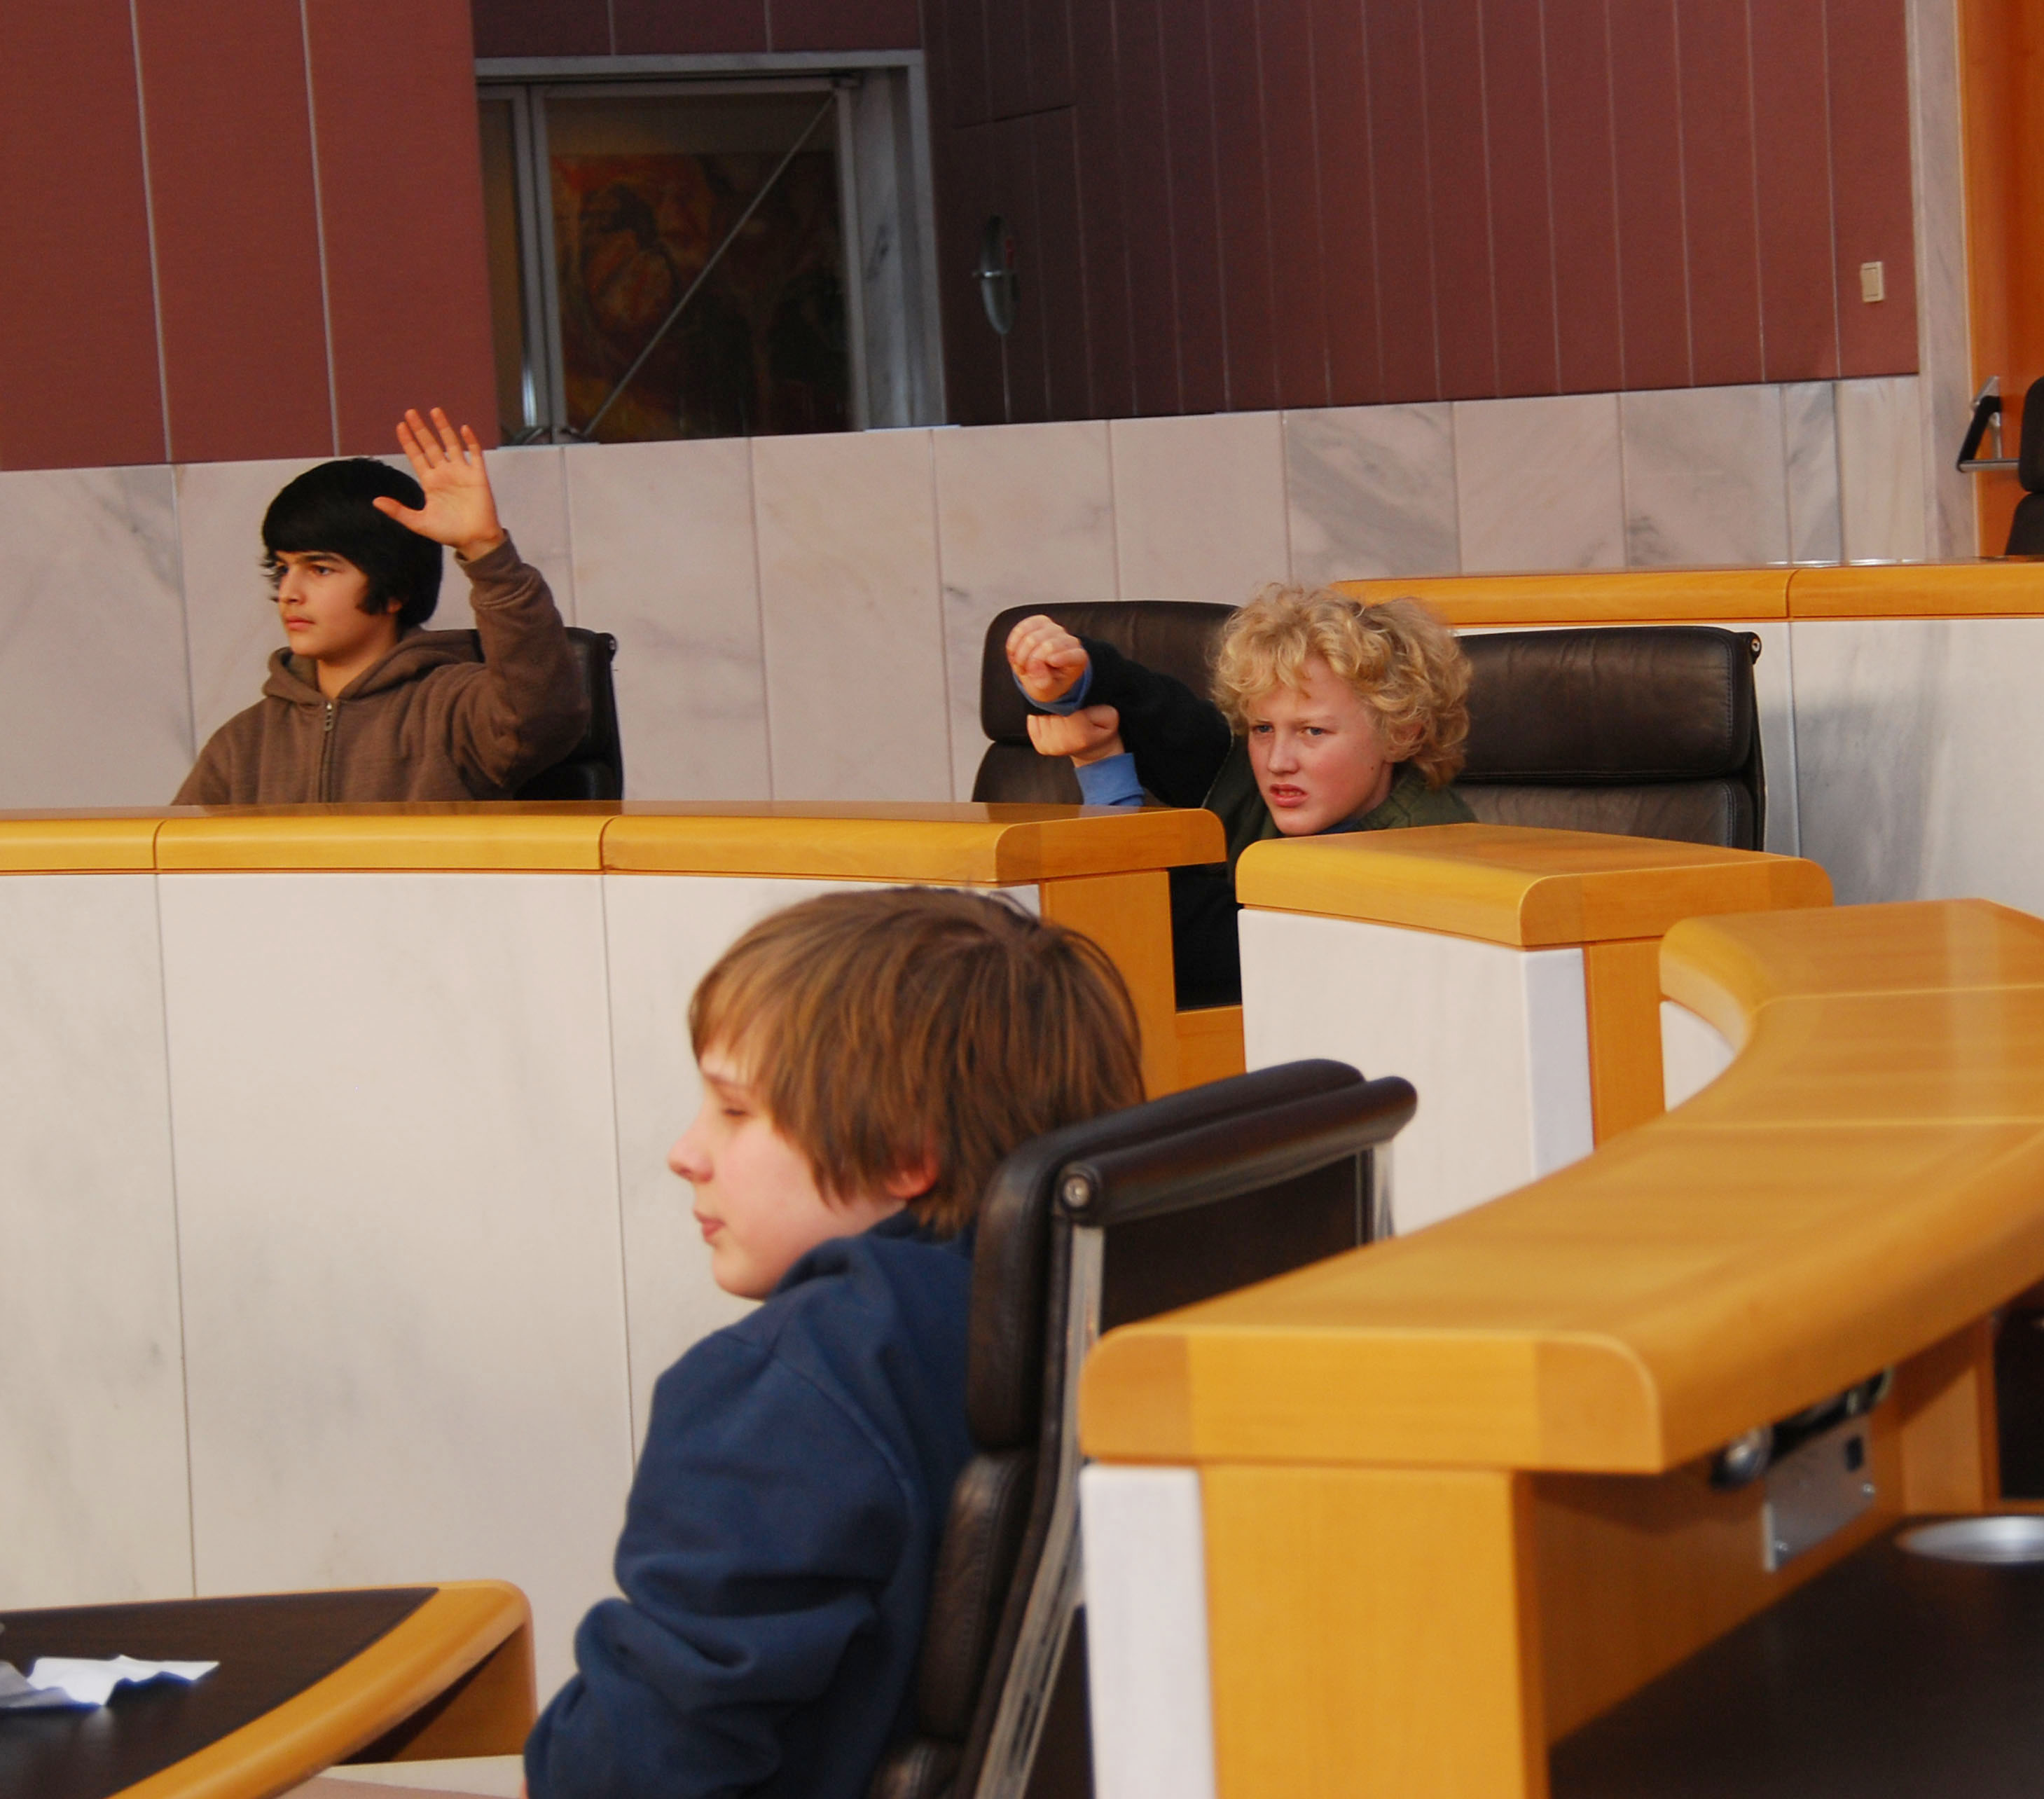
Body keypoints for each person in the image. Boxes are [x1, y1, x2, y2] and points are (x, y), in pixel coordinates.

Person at [525, 888, 1142, 1799]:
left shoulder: (791, 1389)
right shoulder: (1108, 1303)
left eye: (735, 1111)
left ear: (904, 1152)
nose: (686, 1153)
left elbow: (635, 1769)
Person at [1005, 584, 1477, 1003]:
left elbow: (1191, 946)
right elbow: (1163, 715)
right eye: (1262, 728)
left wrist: (1101, 768)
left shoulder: (1422, 857)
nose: (1278, 761)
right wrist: (1068, 675)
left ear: (1401, 734)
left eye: (1313, 731)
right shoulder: (1273, 780)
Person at [172, 407, 589, 804]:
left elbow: (541, 718)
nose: (289, 593)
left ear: (394, 590)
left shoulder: (453, 710)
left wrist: (486, 551)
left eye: (320, 569)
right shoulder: (243, 744)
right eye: (283, 568)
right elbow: (170, 850)